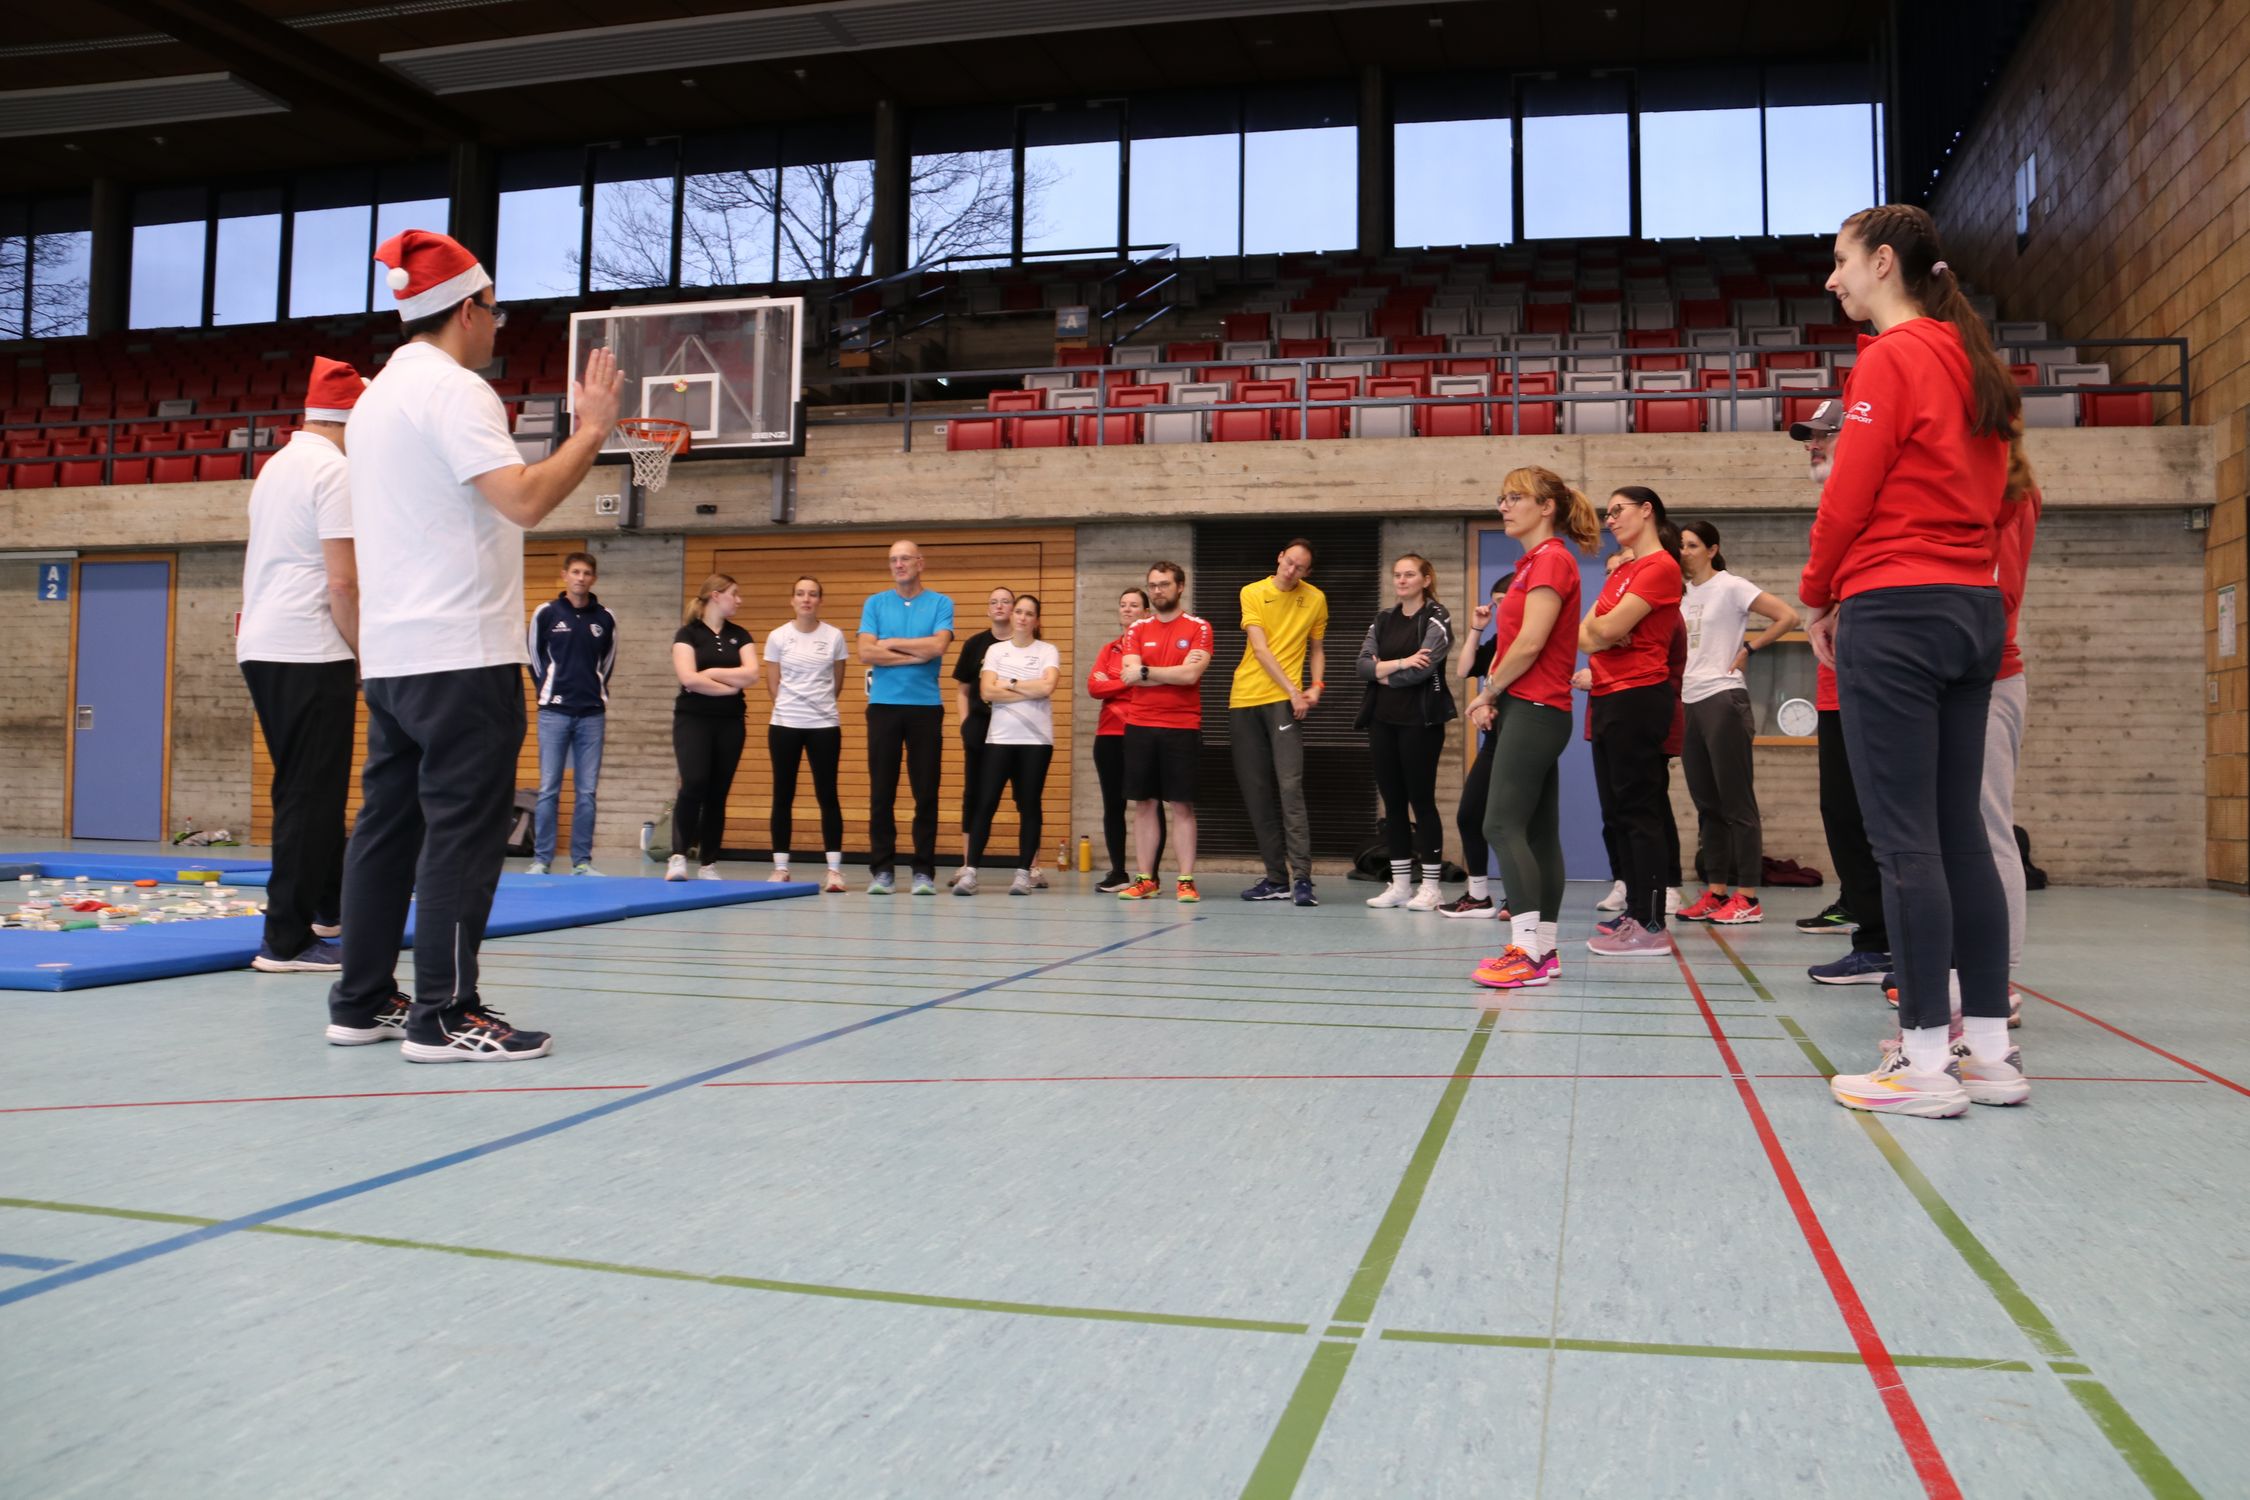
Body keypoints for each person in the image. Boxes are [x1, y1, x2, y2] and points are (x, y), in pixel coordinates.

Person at [326, 228, 622, 1061]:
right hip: (461, 653)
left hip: (394, 658)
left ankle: (360, 999)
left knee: (386, 830)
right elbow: (523, 499)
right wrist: (592, 431)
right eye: (495, 310)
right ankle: (445, 1012)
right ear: (467, 310)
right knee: (461, 833)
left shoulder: (375, 399)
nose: (498, 324)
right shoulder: (454, 391)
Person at [1807, 204, 2031, 1118]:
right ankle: (1990, 1051)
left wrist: (1817, 591)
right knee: (1960, 837)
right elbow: (1999, 498)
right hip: (1972, 611)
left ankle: (1926, 1063)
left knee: (1904, 844)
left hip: (1896, 610)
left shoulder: (1891, 356)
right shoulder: (1975, 360)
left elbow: (1848, 493)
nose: (1833, 279)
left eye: (1841, 261)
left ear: (1884, 262)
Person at [241, 355, 362, 974]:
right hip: (310, 646)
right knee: (310, 796)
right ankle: (285, 940)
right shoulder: (335, 471)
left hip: (264, 644)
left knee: (307, 787)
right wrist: (367, 653)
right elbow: (342, 583)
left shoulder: (278, 465)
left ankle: (328, 909)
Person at [1465, 468, 1602, 991]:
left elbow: (1530, 643)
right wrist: (1498, 695)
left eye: (1515, 497)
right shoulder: (1531, 565)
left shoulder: (1551, 561)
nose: (1504, 505)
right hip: (1527, 707)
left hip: (1536, 708)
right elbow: (1514, 643)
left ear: (1546, 507)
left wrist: (1488, 692)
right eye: (1501, 497)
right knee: (1539, 833)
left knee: (1499, 825)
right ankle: (1544, 949)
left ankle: (1524, 951)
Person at [1672, 521, 1798, 924]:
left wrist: (1750, 648)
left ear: (1712, 550)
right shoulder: (1679, 593)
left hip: (1723, 697)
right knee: (1707, 805)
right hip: (1688, 701)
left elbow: (1787, 616)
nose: (1684, 552)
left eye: (1692, 545)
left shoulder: (1731, 586)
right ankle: (1716, 891)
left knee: (1736, 803)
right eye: (1681, 545)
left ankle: (1748, 896)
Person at [1578, 487, 1686, 958]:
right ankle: (1636, 911)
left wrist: (1607, 631)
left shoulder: (1661, 566)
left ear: (1647, 511)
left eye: (1617, 510)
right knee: (1619, 813)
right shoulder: (1623, 571)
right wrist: (1604, 632)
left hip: (1638, 695)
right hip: (1607, 695)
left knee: (1641, 813)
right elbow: (1586, 635)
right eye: (1607, 513)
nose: (1610, 519)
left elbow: (1603, 628)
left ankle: (1652, 924)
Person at [1355, 554, 1457, 910]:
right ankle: (1399, 884)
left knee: (1421, 800)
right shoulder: (1383, 619)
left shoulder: (1437, 617)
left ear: (1426, 579)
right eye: (1397, 574)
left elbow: (1423, 668)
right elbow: (1362, 665)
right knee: (1393, 802)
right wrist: (1398, 663)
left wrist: (1383, 673)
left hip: (1420, 722)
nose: (1401, 580)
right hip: (1382, 721)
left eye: (1409, 574)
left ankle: (1431, 887)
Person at [1230, 539, 1328, 907]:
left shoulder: (1315, 599)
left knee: (1290, 788)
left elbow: (1317, 648)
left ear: (1307, 571)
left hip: (1284, 705)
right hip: (1245, 699)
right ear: (1279, 558)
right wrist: (1293, 690)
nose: (1291, 571)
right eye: (1289, 562)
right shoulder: (1252, 592)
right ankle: (1275, 879)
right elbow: (1260, 649)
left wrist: (1315, 685)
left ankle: (1302, 879)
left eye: (1300, 567)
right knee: (1256, 792)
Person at [858, 541, 955, 895]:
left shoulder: (941, 603)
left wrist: (890, 643)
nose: (898, 564)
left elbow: (938, 646)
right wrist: (915, 654)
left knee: (925, 792)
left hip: (925, 708)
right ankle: (882, 870)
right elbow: (865, 651)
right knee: (881, 792)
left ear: (920, 563)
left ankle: (923, 871)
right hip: (883, 707)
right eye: (893, 560)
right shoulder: (875, 603)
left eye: (905, 559)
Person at [1118, 561, 1213, 903]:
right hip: (1140, 725)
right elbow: (1128, 674)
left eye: (1164, 584)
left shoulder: (1199, 627)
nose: (1157, 591)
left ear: (1180, 586)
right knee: (1144, 804)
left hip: (1182, 727)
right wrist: (1167, 672)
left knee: (1182, 806)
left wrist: (1146, 671)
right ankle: (1146, 879)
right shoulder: (1136, 629)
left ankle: (1185, 880)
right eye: (1153, 585)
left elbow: (1190, 676)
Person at [958, 595, 1060, 895]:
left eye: (1029, 613)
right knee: (985, 802)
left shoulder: (1047, 651)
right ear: (1013, 616)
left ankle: (1023, 873)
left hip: (1036, 741)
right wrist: (1028, 687)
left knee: (1029, 804)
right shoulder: (995, 651)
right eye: (1019, 612)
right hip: (999, 739)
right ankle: (970, 872)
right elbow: (987, 691)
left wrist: (1010, 684)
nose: (1022, 618)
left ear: (1036, 620)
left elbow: (1047, 686)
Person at [526, 551, 617, 876]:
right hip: (554, 712)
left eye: (587, 573)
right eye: (576, 572)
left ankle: (582, 861)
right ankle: (542, 859)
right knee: (549, 788)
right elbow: (533, 656)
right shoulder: (547, 613)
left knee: (587, 791)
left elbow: (608, 661)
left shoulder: (605, 617)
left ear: (594, 578)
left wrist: (595, 690)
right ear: (565, 575)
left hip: (592, 714)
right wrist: (547, 688)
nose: (581, 578)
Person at [763, 574, 851, 892]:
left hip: (824, 726)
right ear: (792, 600)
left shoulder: (834, 636)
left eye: (812, 594)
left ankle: (834, 870)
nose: (806, 599)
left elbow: (837, 682)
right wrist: (792, 709)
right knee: (782, 794)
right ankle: (781, 867)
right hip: (784, 725)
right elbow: (773, 683)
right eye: (800, 593)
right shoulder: (777, 637)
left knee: (827, 794)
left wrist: (817, 708)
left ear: (820, 600)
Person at [669, 574, 758, 880]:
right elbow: (688, 678)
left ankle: (708, 862)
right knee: (693, 783)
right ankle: (678, 856)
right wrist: (728, 688)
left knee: (718, 792)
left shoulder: (740, 635)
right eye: (735, 594)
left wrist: (711, 673)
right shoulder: (687, 634)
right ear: (716, 596)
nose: (739, 600)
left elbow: (751, 674)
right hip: (693, 720)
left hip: (730, 722)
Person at [1438, 576, 1511, 919]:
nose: (1500, 610)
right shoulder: (1499, 639)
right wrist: (1477, 629)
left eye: (1506, 602)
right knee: (1469, 815)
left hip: (1521, 736)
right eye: (1497, 603)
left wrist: (1489, 700)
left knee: (1513, 822)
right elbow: (1465, 668)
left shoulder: (1532, 639)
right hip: (1495, 740)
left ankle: (1522, 897)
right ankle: (1479, 895)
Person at [1088, 585, 1164, 893]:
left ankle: (1151, 876)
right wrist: (1130, 680)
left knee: (1150, 803)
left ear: (1146, 612)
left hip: (1143, 731)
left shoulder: (1154, 648)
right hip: (1108, 735)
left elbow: (1156, 683)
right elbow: (1094, 688)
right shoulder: (1109, 650)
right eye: (1123, 604)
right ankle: (1118, 872)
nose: (1127, 609)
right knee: (1113, 805)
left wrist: (1115, 680)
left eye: (1134, 605)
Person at [952, 586, 1022, 884]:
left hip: (1017, 728)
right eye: (994, 602)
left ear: (1015, 609)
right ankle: (967, 863)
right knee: (974, 794)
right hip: (980, 727)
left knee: (1024, 795)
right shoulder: (975, 645)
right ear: (988, 608)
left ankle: (1030, 865)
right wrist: (966, 724)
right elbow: (963, 690)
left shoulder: (1026, 645)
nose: (999, 606)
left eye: (1005, 602)